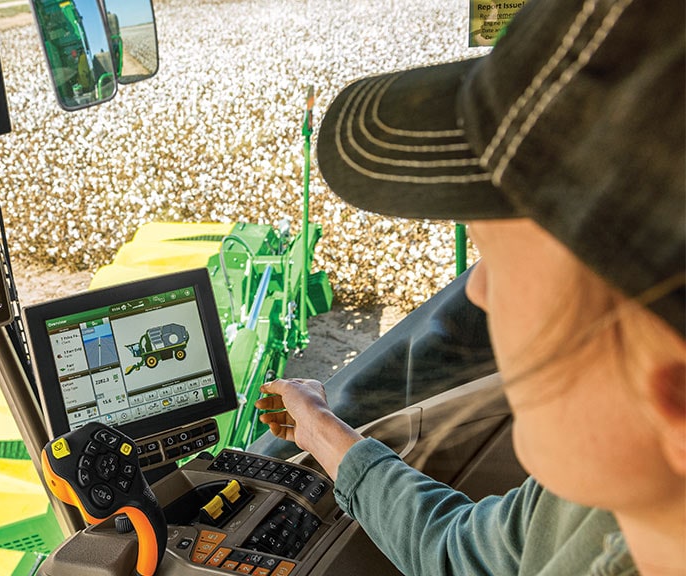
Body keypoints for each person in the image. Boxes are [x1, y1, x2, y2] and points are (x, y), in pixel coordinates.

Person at [255, 0, 685, 574]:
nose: (475, 294)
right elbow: (458, 551)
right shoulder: (599, 496)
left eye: (499, 265)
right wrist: (317, 428)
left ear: (676, 403)